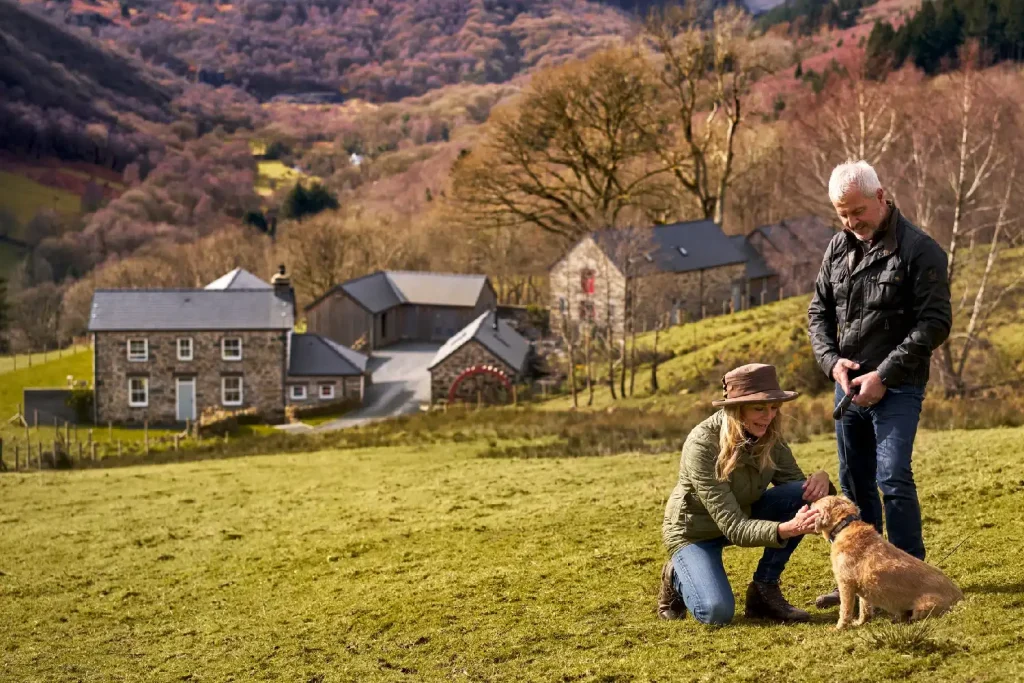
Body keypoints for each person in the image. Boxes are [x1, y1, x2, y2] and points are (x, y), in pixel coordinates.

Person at [807, 160, 952, 609]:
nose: (852, 222)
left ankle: (912, 579)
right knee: (854, 482)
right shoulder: (838, 247)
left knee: (892, 478)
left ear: (881, 196)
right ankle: (859, 583)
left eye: (858, 211)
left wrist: (883, 375)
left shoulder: (920, 250)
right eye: (843, 214)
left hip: (899, 385)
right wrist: (831, 362)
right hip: (847, 387)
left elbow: (935, 323)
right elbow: (818, 313)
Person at [657, 363, 834, 625]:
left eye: (774, 407)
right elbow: (734, 528)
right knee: (716, 612)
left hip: (745, 512)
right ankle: (675, 575)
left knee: (803, 495)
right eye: (759, 408)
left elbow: (796, 488)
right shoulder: (702, 445)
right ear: (736, 409)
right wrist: (787, 529)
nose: (769, 416)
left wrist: (821, 482)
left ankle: (764, 589)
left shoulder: (770, 434)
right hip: (695, 532)